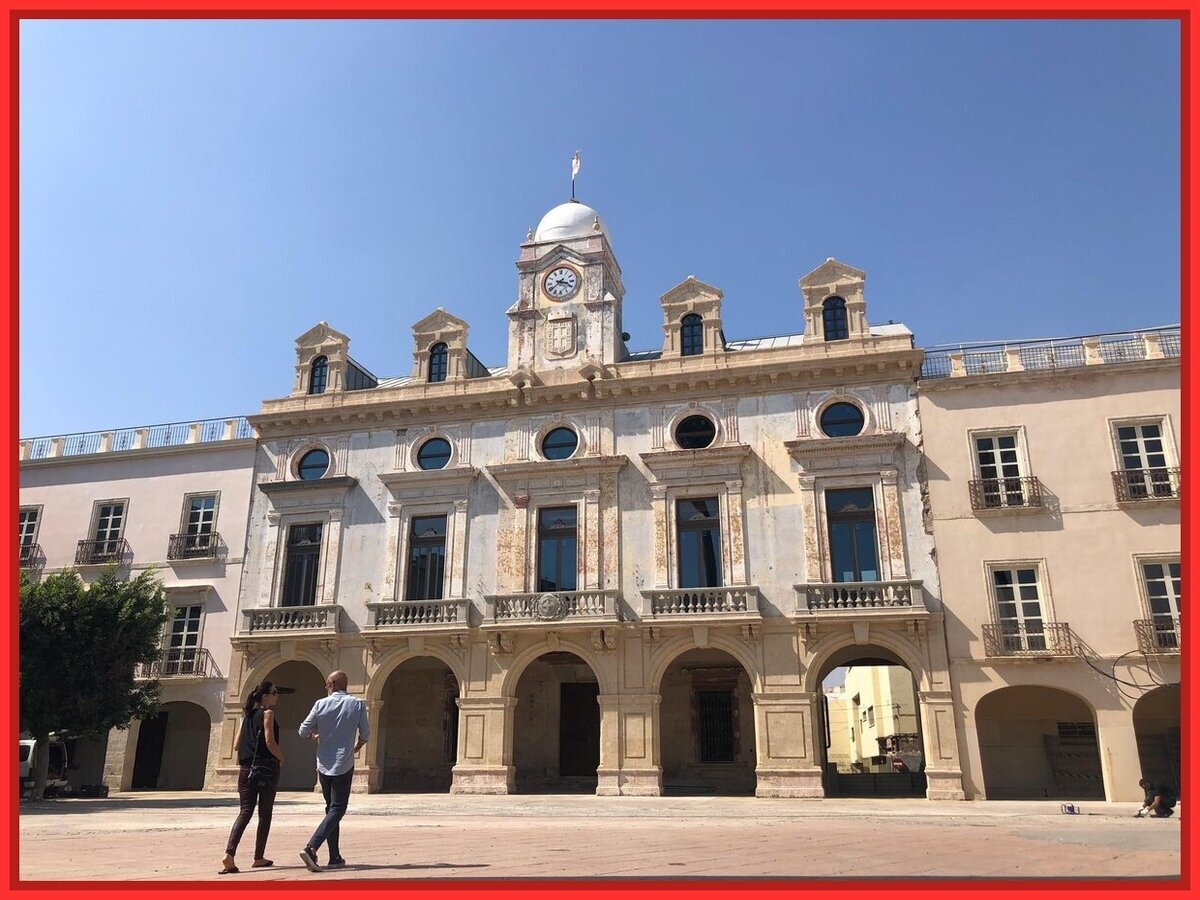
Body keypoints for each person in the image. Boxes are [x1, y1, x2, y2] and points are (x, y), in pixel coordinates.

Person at [297, 670, 369, 872]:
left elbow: (303, 731)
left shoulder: (320, 704)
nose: (326, 687)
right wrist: (356, 747)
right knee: (338, 808)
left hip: (323, 763)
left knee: (331, 809)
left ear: (333, 684)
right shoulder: (357, 704)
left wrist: (314, 736)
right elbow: (365, 733)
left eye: (327, 684)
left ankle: (335, 856)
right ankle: (311, 847)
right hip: (343, 763)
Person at [220, 680, 285, 874]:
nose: (276, 695)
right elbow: (269, 740)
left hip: (245, 770)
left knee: (245, 812)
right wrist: (281, 757)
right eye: (274, 692)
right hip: (266, 768)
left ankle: (229, 854)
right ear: (265, 696)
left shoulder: (247, 716)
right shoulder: (268, 713)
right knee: (265, 814)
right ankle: (258, 857)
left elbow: (236, 745)